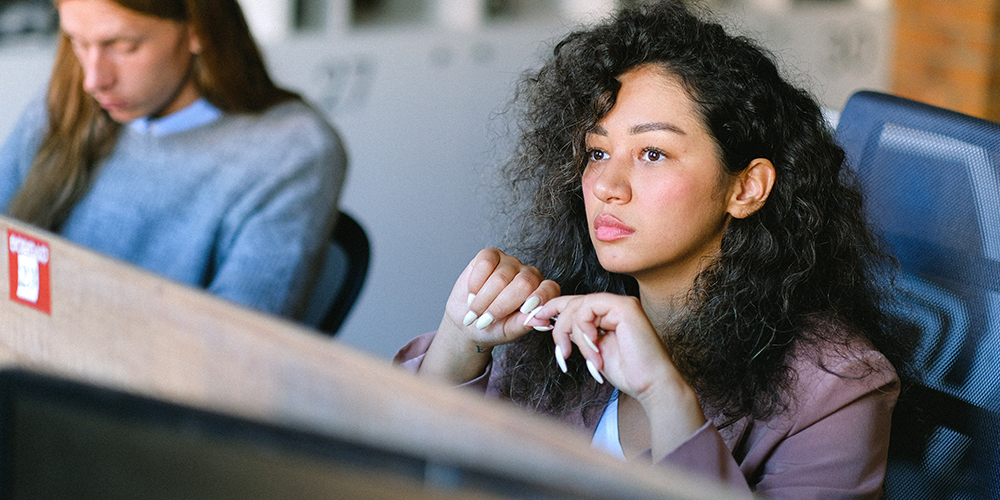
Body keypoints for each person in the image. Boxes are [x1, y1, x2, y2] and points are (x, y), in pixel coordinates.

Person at [395, 2, 913, 498]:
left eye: (652, 153)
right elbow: (390, 473)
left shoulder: (835, 389)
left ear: (746, 188)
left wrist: (665, 395)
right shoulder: (551, 319)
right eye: (597, 152)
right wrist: (460, 346)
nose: (605, 186)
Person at [0, 0, 347, 320]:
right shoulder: (64, 99)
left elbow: (232, 353)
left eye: (124, 47)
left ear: (198, 29)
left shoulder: (290, 152)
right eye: (77, 41)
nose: (94, 80)